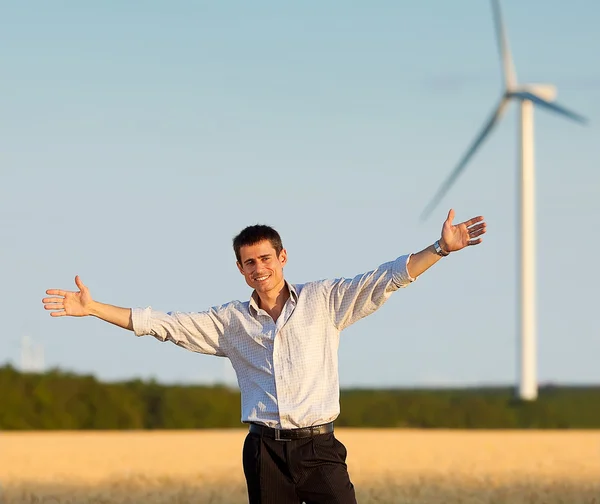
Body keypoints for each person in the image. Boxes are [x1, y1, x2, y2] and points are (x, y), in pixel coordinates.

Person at [43, 208, 486, 504]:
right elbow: (164, 324)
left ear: (283, 257)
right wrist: (95, 308)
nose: (260, 269)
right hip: (264, 451)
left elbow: (386, 278)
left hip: (319, 448)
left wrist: (441, 248)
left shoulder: (325, 300)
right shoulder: (231, 322)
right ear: (240, 269)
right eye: (249, 262)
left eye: (265, 258)